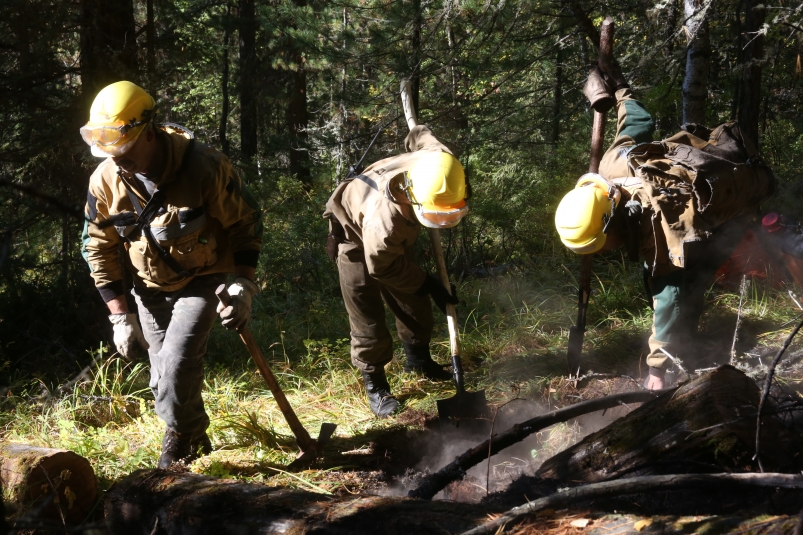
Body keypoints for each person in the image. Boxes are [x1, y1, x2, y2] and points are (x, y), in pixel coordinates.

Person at [555, 65, 775, 390]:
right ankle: (680, 345)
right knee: (672, 282)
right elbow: (637, 122)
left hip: (729, 210)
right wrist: (618, 89)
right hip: (689, 204)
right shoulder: (612, 165)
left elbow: (667, 296)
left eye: (600, 245)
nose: (602, 253)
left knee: (690, 282)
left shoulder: (655, 225)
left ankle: (678, 358)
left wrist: (655, 370)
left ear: (615, 221)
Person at [80, 81, 263, 467]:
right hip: (149, 289)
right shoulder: (104, 181)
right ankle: (195, 436)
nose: (117, 159)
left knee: (178, 364)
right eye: (109, 152)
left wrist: (243, 283)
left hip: (205, 281)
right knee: (162, 377)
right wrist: (118, 315)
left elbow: (245, 223)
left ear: (148, 131)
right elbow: (98, 247)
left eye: (124, 148)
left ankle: (177, 445)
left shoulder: (204, 167)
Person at [324, 125, 468, 417]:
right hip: (354, 234)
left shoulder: (441, 163)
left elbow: (420, 134)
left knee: (413, 300)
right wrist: (427, 281)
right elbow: (383, 267)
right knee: (367, 316)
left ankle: (418, 360)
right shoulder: (385, 224)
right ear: (412, 196)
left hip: (394, 234)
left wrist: (415, 130)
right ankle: (375, 384)